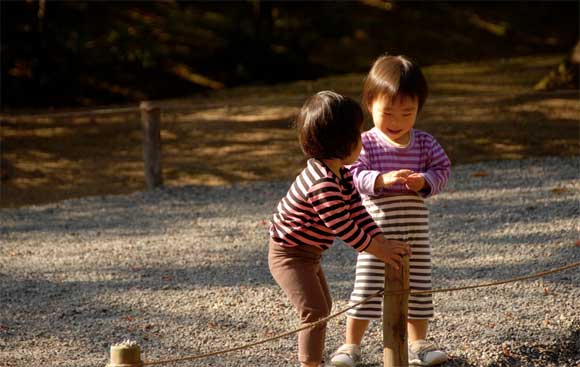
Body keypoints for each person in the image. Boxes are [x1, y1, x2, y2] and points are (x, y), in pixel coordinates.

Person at [268, 90, 411, 367]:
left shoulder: (342, 175)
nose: (363, 139)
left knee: (325, 306)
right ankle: (309, 364)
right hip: (289, 254)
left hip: (309, 253)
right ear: (342, 142)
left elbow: (357, 211)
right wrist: (377, 249)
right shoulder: (322, 183)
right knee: (315, 310)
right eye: (357, 134)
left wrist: (380, 239)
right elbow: (344, 226)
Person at [330, 55, 451, 367]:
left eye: (407, 113)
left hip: (415, 236)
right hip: (376, 236)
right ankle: (350, 346)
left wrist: (425, 182)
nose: (396, 121)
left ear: (419, 109)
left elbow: (442, 169)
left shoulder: (424, 143)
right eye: (388, 113)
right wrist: (380, 180)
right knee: (367, 287)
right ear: (370, 104)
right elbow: (352, 175)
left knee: (419, 287)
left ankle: (418, 345)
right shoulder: (365, 143)